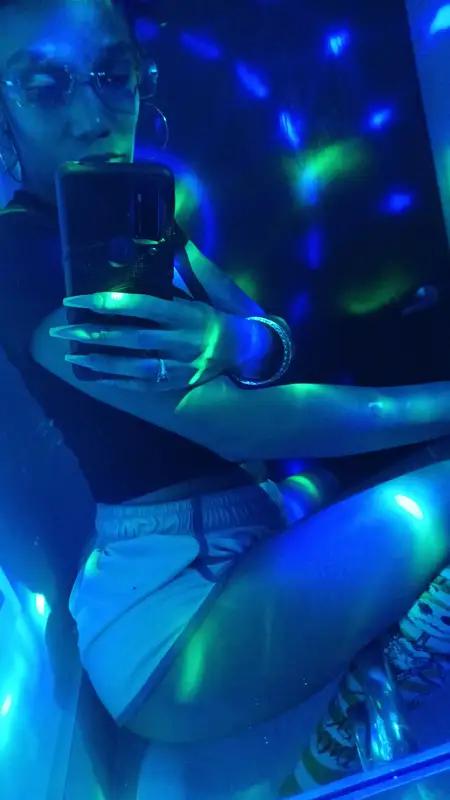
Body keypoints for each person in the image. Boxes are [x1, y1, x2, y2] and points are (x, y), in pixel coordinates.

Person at [2, 0, 450, 777]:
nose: (92, 115)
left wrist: (238, 339)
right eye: (45, 86)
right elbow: (243, 424)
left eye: (112, 73)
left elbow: (264, 340)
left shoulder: (146, 219)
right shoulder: (17, 258)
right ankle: (346, 740)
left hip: (244, 535)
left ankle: (366, 710)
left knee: (396, 470)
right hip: (172, 617)